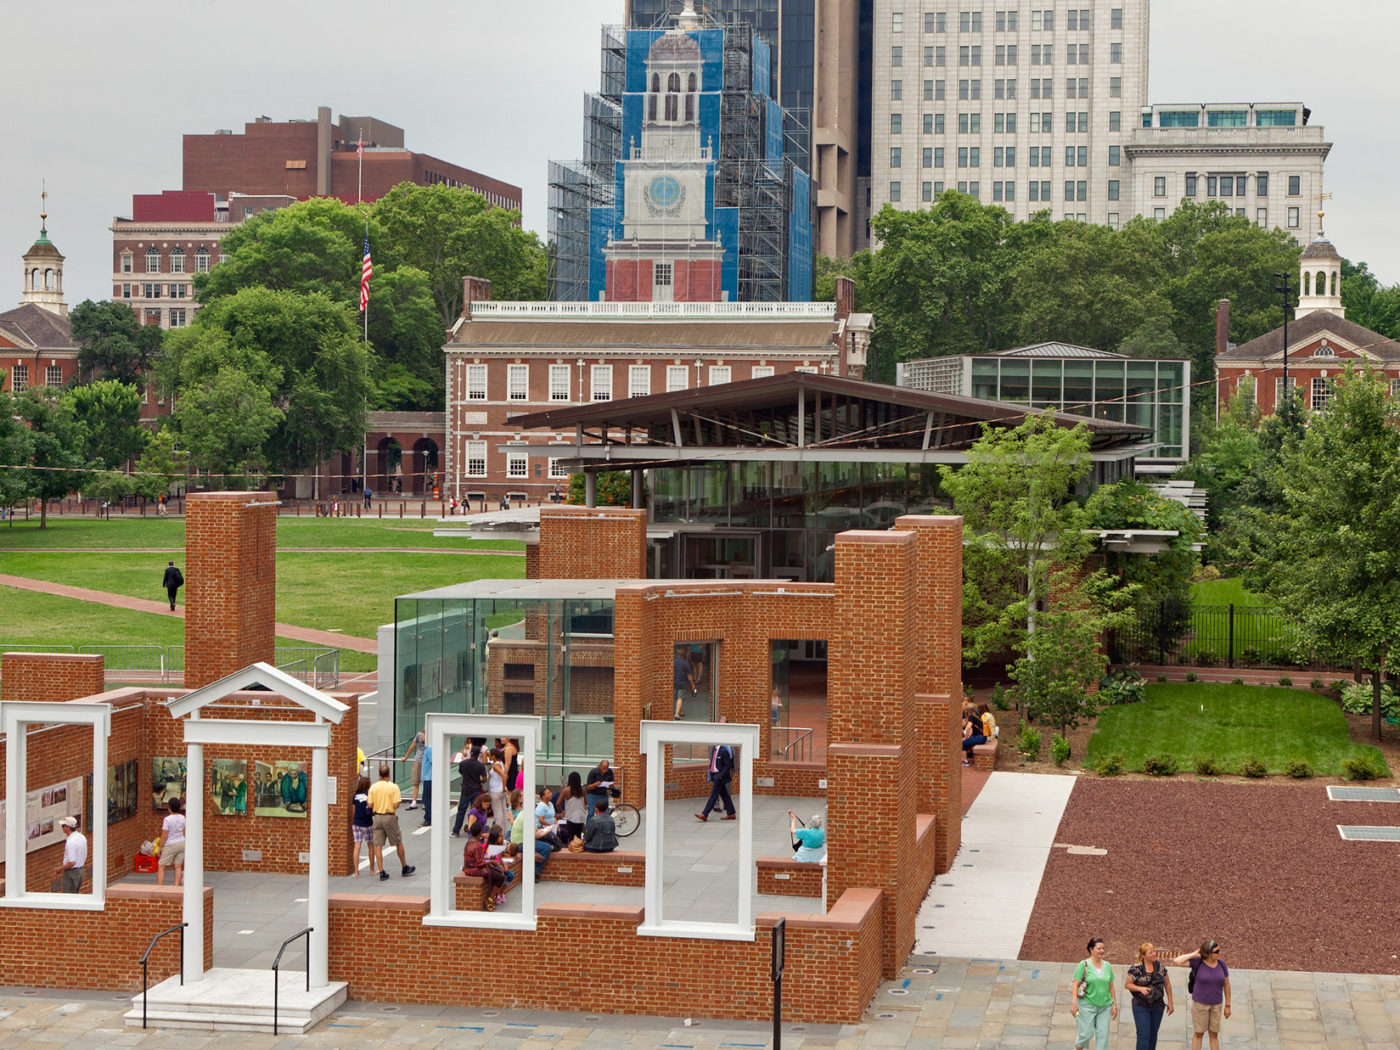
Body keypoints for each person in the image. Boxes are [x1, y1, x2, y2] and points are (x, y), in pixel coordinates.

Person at [1174, 940, 1230, 1050]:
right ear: (1208, 954)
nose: (1219, 953)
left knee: (1214, 1034)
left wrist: (1228, 1005)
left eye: (1219, 950)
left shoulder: (1221, 964)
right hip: (1200, 1005)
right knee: (1199, 1034)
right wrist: (1194, 953)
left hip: (1216, 1005)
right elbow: (1177, 961)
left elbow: (1227, 985)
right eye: (1216, 951)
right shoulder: (1197, 962)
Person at [368, 763, 416, 881]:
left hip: (377, 817)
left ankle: (381, 871)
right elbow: (396, 804)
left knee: (378, 845)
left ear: (379, 774)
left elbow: (369, 805)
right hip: (389, 817)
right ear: (389, 774)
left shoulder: (373, 787)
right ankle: (404, 867)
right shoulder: (394, 787)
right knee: (398, 841)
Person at [1070, 936, 1118, 1050]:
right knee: (1086, 1035)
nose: (1102, 951)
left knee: (1103, 1038)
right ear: (1091, 949)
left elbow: (1111, 987)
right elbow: (1075, 985)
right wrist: (1074, 1003)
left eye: (1103, 948)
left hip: (1105, 1007)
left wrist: (1114, 1005)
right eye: (1099, 948)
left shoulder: (1108, 966)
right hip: (1086, 1005)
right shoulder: (1083, 964)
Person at [1126, 942, 1174, 1050]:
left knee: (1153, 1035)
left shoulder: (1160, 966)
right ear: (1143, 955)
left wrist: (1170, 1002)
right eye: (1150, 952)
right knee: (1143, 1035)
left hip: (1158, 1005)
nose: (1153, 954)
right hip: (1141, 1005)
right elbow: (1127, 984)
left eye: (1154, 951)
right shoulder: (1136, 968)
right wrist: (1140, 988)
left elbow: (1168, 985)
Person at [696, 727, 736, 822]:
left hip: (720, 777)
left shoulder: (723, 750)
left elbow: (728, 765)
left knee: (714, 795)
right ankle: (731, 813)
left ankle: (705, 814)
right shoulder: (714, 749)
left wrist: (720, 775)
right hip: (715, 775)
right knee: (724, 794)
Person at [462, 826, 507, 909]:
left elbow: (478, 858)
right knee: (500, 877)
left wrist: (487, 858)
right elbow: (479, 863)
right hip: (474, 870)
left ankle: (491, 897)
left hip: (469, 867)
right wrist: (491, 861)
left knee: (498, 874)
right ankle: (489, 899)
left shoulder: (468, 843)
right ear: (480, 834)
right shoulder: (477, 845)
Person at [453, 745, 488, 837]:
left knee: (461, 810)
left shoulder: (463, 763)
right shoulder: (480, 766)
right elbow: (484, 779)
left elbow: (461, 772)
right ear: (478, 755)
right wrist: (479, 781)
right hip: (476, 789)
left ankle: (456, 830)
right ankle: (474, 830)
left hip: (465, 789)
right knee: (476, 810)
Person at [156, 798, 186, 886]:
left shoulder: (167, 819)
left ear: (169, 808)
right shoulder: (182, 818)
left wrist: (160, 848)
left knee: (161, 866)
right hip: (181, 843)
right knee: (178, 866)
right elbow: (184, 832)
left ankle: (160, 887)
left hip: (170, 844)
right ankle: (176, 887)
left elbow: (164, 835)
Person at [351, 775, 377, 876]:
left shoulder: (355, 796)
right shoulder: (369, 796)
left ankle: (356, 872)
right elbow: (372, 809)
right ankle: (372, 869)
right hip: (367, 823)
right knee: (370, 845)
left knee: (357, 847)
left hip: (356, 823)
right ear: (368, 785)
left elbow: (353, 811)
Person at [56, 817, 87, 893]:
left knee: (68, 898)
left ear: (67, 827)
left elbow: (71, 863)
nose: (62, 828)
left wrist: (60, 868)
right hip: (80, 870)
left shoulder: (70, 843)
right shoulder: (81, 837)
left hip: (71, 873)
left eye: (63, 826)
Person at [487, 748, 511, 836]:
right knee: (504, 811)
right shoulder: (501, 763)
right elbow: (506, 775)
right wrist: (504, 786)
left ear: (493, 756)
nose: (489, 757)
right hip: (501, 791)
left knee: (498, 813)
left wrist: (503, 787)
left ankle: (498, 833)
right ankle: (504, 832)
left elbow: (504, 776)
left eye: (490, 755)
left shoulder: (496, 766)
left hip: (496, 791)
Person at [560, 772, 589, 843]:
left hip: (570, 816)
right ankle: (578, 848)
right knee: (578, 835)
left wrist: (562, 810)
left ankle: (571, 849)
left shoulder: (566, 790)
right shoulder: (582, 791)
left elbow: (558, 803)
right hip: (580, 816)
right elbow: (586, 803)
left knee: (571, 836)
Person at [401, 729, 425, 810]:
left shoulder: (431, 737)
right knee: (415, 782)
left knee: (425, 783)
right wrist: (406, 757)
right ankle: (414, 801)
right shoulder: (419, 735)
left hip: (426, 761)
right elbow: (412, 746)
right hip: (418, 760)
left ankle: (425, 802)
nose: (422, 737)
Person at [673, 650, 696, 719]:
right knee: (680, 698)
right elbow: (689, 676)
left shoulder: (673, 661)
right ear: (684, 655)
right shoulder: (685, 663)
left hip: (673, 682)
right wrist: (693, 685)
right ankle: (677, 714)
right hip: (681, 683)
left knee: (677, 698)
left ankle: (681, 712)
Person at [420, 741, 434, 827]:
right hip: (427, 777)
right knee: (427, 798)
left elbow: (433, 761)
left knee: (426, 798)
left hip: (429, 777)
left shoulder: (429, 749)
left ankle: (428, 818)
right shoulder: (429, 749)